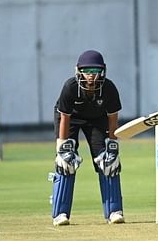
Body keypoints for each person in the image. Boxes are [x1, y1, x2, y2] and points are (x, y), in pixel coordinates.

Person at [50, 49, 125, 226]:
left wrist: (113, 145)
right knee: (66, 162)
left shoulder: (109, 88)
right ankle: (60, 213)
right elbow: (65, 117)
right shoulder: (70, 87)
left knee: (107, 161)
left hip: (97, 119)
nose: (91, 76)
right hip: (71, 119)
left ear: (102, 71)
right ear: (79, 71)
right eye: (87, 71)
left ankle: (114, 211)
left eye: (95, 71)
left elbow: (112, 118)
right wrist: (61, 145)